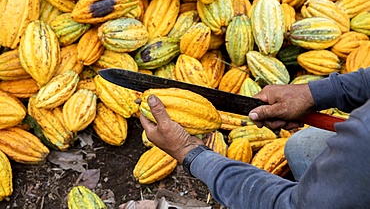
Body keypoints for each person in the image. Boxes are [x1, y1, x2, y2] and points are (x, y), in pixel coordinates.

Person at [139, 67, 370, 209]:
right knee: (302, 145)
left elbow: (290, 206)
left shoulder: (363, 139)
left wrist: (190, 153)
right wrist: (315, 94)